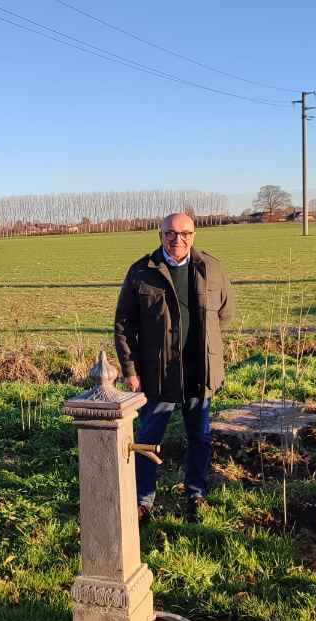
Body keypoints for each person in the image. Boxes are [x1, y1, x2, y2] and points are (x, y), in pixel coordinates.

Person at [114, 212, 235, 522]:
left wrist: (208, 350)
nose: (177, 239)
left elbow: (224, 313)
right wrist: (130, 370)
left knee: (200, 437)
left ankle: (196, 493)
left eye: (185, 233)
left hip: (199, 373)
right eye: (170, 233)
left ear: (193, 235)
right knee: (147, 438)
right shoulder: (142, 272)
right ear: (160, 234)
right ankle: (143, 500)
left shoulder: (211, 268)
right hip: (158, 375)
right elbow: (124, 325)